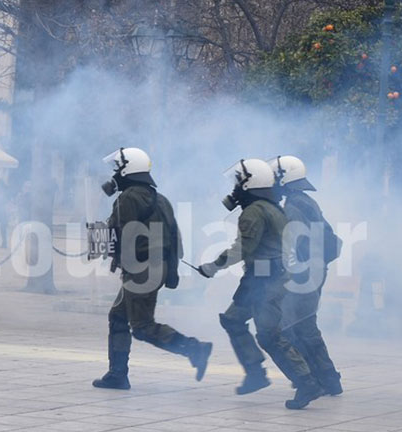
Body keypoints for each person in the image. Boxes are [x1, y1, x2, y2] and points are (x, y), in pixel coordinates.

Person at [197, 158, 323, 410]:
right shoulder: (271, 207)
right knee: (233, 320)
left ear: (250, 182)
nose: (234, 188)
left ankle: (306, 381)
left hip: (265, 281)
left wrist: (213, 266)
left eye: (238, 182)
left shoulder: (254, 211)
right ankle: (255, 372)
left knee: (268, 334)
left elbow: (244, 247)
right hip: (261, 278)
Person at [92, 147, 212, 390]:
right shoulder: (161, 199)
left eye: (118, 169)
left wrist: (102, 240)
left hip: (141, 270)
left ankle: (195, 349)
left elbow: (121, 232)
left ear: (127, 170)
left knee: (142, 327)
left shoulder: (127, 198)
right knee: (118, 316)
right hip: (156, 267)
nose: (114, 174)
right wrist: (171, 271)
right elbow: (175, 237)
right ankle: (117, 374)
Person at [269, 155, 343, 396]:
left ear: (285, 180)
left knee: (286, 329)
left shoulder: (293, 207)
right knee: (305, 326)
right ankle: (328, 380)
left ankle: (312, 380)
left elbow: (292, 244)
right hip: (313, 271)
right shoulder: (304, 201)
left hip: (302, 276)